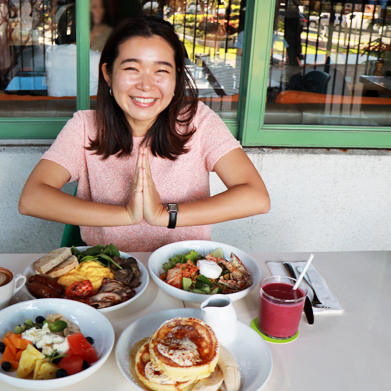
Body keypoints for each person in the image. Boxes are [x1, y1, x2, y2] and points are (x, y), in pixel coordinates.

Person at [19, 16, 270, 252]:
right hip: (106, 272)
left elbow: (256, 196)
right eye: (132, 69)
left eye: (161, 71)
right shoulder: (85, 126)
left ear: (176, 78)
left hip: (184, 269)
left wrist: (164, 215)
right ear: (108, 74)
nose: (146, 85)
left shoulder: (197, 121)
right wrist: (127, 214)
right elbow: (32, 198)